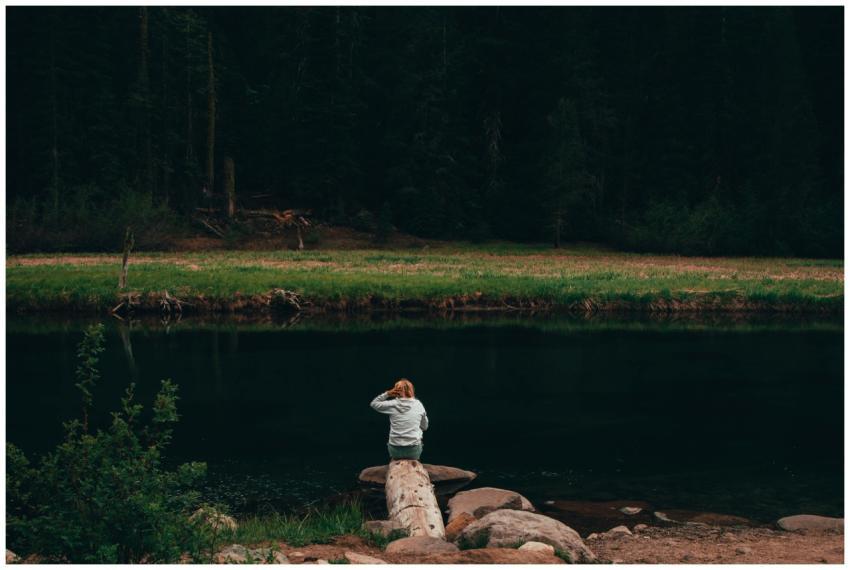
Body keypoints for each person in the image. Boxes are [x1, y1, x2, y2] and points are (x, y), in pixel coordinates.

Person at [370, 378, 429, 461]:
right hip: (413, 451)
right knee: (419, 430)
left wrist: (387, 394)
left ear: (395, 390)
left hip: (395, 451)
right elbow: (425, 427)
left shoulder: (392, 404)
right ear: (411, 390)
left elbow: (373, 404)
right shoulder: (418, 405)